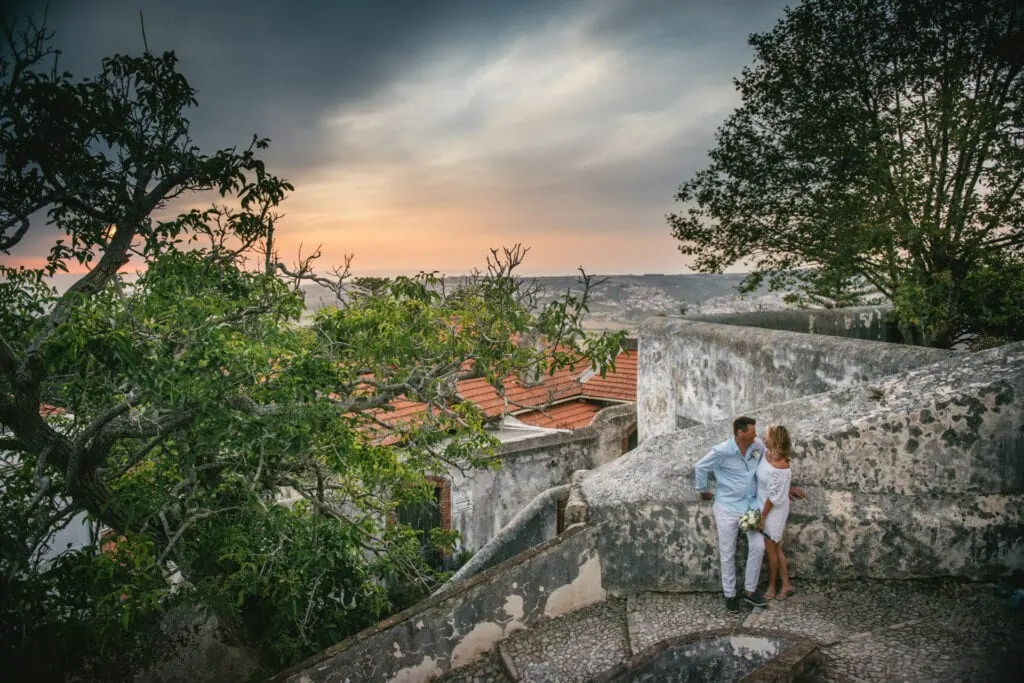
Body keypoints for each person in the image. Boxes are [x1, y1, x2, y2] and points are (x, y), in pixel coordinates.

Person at [693, 416, 768, 613]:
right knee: (728, 552)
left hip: (750, 506)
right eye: (752, 432)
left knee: (759, 547)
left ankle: (750, 591)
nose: (756, 434)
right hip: (727, 507)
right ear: (740, 433)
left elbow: (768, 462)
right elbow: (700, 467)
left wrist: (786, 486)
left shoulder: (757, 446)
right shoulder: (722, 451)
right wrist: (703, 490)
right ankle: (730, 594)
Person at [756, 425, 795, 600]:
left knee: (771, 547)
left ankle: (772, 586)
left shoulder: (780, 464)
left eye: (767, 435)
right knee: (776, 548)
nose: (763, 437)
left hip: (774, 509)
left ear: (775, 439)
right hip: (764, 504)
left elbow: (773, 497)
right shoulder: (767, 453)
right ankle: (786, 585)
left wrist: (762, 517)